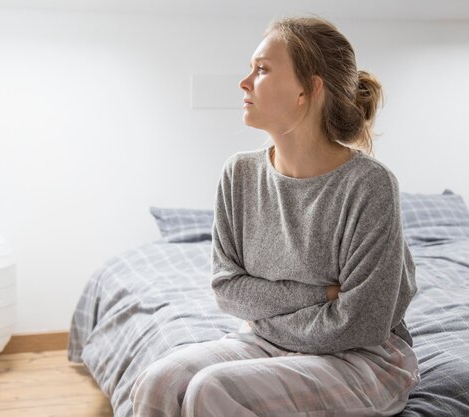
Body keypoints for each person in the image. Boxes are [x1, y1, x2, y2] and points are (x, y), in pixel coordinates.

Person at [130, 15, 420, 417]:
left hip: (365, 359)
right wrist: (319, 295)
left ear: (308, 89)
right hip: (269, 343)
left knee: (212, 390)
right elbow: (227, 290)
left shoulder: (370, 185)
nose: (244, 82)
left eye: (262, 69)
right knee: (158, 381)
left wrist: (265, 315)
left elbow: (362, 324)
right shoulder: (240, 174)